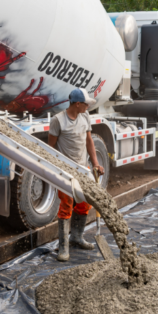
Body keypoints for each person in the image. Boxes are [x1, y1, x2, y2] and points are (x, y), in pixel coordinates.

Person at [48, 88, 104, 262]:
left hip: (83, 168)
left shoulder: (85, 117)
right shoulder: (58, 120)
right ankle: (64, 247)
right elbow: (51, 148)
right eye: (86, 103)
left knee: (84, 203)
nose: (88, 106)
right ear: (77, 104)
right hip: (66, 170)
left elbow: (89, 141)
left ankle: (77, 237)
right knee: (67, 204)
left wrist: (95, 163)